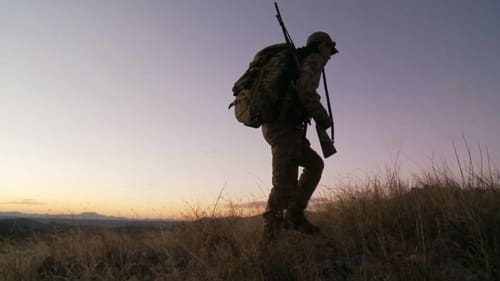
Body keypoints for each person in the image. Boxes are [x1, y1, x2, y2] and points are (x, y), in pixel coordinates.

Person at [262, 31, 338, 241]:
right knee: (284, 186)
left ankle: (294, 215)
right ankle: (267, 248)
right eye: (329, 49)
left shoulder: (301, 60)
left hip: (286, 128)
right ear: (322, 45)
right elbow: (305, 91)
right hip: (283, 127)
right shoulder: (313, 60)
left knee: (315, 164)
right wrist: (324, 117)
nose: (330, 56)